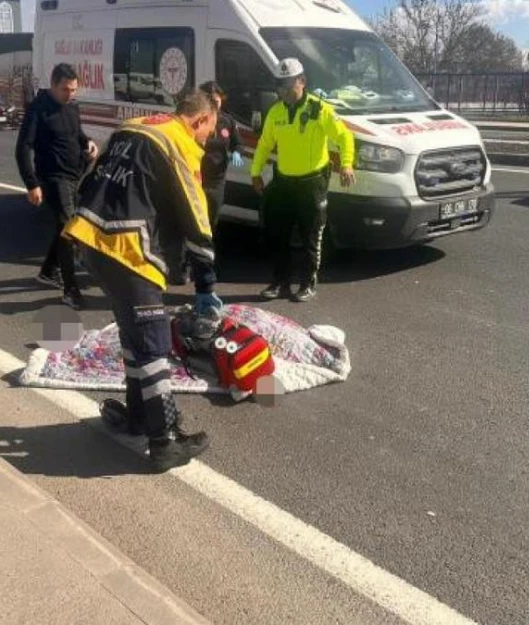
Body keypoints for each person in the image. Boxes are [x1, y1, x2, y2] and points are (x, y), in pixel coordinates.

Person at [62, 89, 221, 471]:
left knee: (134, 337)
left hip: (91, 239)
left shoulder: (134, 125)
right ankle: (164, 440)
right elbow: (196, 217)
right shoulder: (178, 141)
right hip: (128, 248)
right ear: (198, 120)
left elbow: (96, 176)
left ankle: (138, 417)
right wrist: (206, 284)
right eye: (208, 131)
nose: (207, 140)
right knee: (153, 342)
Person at [250, 58, 355, 303]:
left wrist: (347, 163)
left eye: (287, 84)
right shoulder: (275, 111)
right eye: (279, 85)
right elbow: (265, 144)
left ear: (302, 81)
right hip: (284, 182)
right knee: (277, 235)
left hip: (312, 183)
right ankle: (280, 283)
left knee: (311, 237)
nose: (283, 90)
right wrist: (255, 172)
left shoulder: (320, 109)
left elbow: (344, 136)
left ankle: (307, 284)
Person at [15, 63, 99, 310]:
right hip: (52, 177)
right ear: (52, 85)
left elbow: (76, 134)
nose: (70, 94)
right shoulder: (38, 110)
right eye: (65, 89)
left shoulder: (72, 107)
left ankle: (49, 270)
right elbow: (23, 148)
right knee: (69, 229)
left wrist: (88, 142)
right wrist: (32, 183)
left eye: (73, 89)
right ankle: (70, 290)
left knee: (65, 227)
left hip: (75, 174)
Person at [198, 81, 244, 231]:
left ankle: (207, 249)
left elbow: (238, 143)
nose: (214, 104)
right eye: (210, 101)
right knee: (195, 219)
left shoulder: (227, 121)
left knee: (212, 219)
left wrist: (237, 152)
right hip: (197, 177)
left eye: (217, 101)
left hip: (217, 181)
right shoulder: (197, 120)